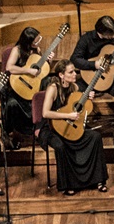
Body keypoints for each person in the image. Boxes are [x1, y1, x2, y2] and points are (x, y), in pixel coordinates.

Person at [37, 59, 108, 195]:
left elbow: (78, 107)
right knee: (60, 146)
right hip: (50, 128)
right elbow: (45, 113)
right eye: (71, 72)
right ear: (61, 75)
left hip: (69, 127)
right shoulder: (52, 88)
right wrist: (68, 115)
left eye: (75, 71)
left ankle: (98, 180)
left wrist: (88, 98)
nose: (75, 74)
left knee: (95, 137)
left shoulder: (74, 87)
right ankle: (67, 184)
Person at [71, 15, 114, 143]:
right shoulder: (86, 39)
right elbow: (75, 60)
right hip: (90, 77)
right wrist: (94, 64)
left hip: (111, 77)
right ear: (100, 33)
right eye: (110, 35)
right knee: (74, 94)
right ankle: (77, 129)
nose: (113, 37)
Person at [2, 26, 47, 141]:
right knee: (12, 104)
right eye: (36, 40)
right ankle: (9, 133)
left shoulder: (37, 50)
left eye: (39, 39)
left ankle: (39, 129)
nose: (38, 42)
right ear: (28, 41)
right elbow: (9, 67)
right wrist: (28, 70)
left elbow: (40, 70)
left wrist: (47, 62)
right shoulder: (17, 50)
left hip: (32, 87)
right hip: (18, 88)